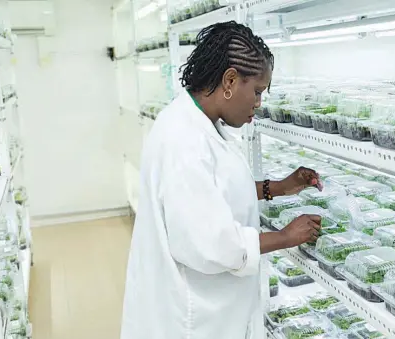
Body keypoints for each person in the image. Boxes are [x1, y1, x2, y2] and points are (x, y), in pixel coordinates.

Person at [120, 21, 323, 339]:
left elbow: (213, 195)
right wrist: (285, 236)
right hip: (190, 320)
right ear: (230, 80)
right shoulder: (183, 141)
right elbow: (214, 245)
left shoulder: (200, 122)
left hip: (209, 312)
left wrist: (279, 187)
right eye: (256, 91)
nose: (258, 103)